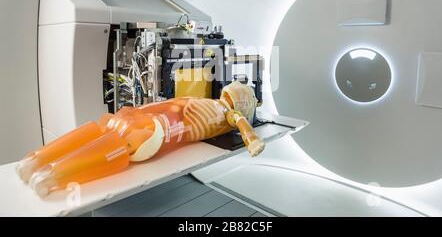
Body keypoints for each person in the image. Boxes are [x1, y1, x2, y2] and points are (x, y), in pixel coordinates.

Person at [16, 81, 265, 197]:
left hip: (147, 116)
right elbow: (243, 125)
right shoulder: (226, 113)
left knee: (104, 129)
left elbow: (171, 103)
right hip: (159, 129)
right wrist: (252, 140)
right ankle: (53, 175)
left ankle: (36, 161)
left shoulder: (212, 104)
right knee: (121, 145)